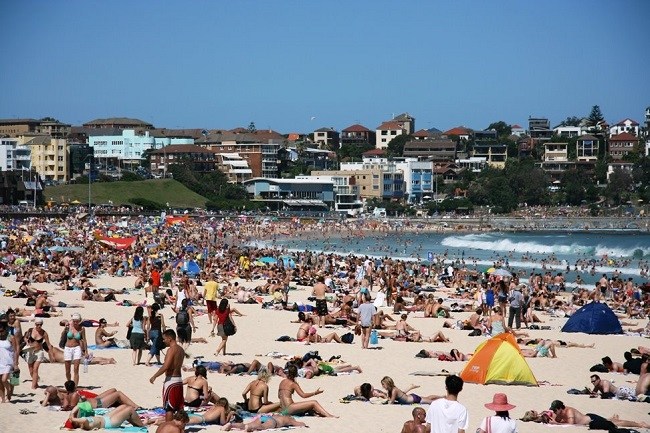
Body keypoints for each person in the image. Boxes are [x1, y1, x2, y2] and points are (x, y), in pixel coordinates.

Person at [150, 329, 186, 421]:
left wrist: (155, 376)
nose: (163, 341)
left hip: (171, 381)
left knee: (169, 408)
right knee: (178, 407)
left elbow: (166, 366)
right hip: (179, 380)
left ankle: (169, 427)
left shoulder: (171, 350)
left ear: (170, 338)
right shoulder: (181, 350)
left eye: (164, 339)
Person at [548, 399, 649, 430]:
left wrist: (556, 424)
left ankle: (640, 424)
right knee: (612, 421)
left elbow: (571, 423)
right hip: (590, 418)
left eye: (555, 410)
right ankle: (611, 418)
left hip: (592, 420)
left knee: (617, 424)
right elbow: (555, 419)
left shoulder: (569, 411)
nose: (554, 412)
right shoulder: (559, 412)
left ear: (560, 408)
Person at [23, 317, 54, 389]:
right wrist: (27, 341)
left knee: (35, 369)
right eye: (37, 325)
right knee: (31, 370)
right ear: (35, 324)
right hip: (30, 352)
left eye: (40, 324)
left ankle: (33, 387)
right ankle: (36, 382)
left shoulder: (44, 333)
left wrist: (51, 355)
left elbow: (48, 344)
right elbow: (25, 337)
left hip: (39, 352)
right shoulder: (30, 330)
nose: (39, 326)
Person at [66, 404, 149, 430]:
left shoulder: (80, 420)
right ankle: (142, 424)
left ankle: (136, 421)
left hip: (105, 418)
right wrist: (72, 418)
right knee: (129, 410)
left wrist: (72, 412)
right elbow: (83, 420)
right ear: (76, 424)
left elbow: (80, 405)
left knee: (124, 406)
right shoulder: (84, 424)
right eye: (73, 421)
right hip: (109, 423)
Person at [63, 313, 88, 386]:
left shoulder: (82, 329)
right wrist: (66, 323)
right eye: (74, 321)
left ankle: (75, 386)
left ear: (79, 321)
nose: (75, 323)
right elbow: (62, 321)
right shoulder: (69, 326)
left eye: (77, 321)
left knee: (76, 368)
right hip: (67, 348)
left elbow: (84, 340)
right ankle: (69, 384)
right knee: (67, 370)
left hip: (77, 348)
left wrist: (86, 351)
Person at [0, 319, 19, 403]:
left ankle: (9, 390)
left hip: (9, 361)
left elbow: (15, 350)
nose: (1, 332)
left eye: (2, 330)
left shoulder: (11, 337)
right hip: (0, 362)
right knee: (0, 382)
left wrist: (15, 363)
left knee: (4, 380)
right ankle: (3, 398)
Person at [224, 414, 307, 432]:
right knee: (262, 427)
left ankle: (231, 425)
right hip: (272, 421)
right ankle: (249, 429)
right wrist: (299, 423)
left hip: (265, 417)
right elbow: (301, 424)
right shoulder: (290, 419)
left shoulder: (278, 415)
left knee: (248, 424)